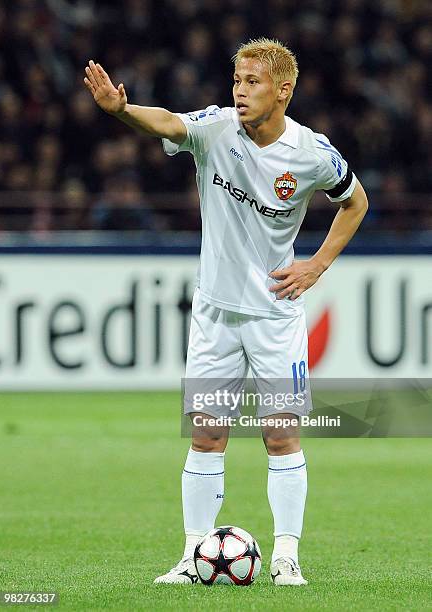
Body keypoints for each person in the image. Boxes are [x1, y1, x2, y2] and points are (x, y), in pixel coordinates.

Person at [84, 37, 368, 586]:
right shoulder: (216, 128)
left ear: (283, 91)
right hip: (214, 316)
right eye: (237, 80)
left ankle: (287, 556)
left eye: (252, 82)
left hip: (274, 317)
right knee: (207, 435)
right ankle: (194, 554)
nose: (239, 91)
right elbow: (168, 123)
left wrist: (316, 266)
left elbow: (355, 202)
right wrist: (122, 111)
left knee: (280, 435)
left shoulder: (311, 152)